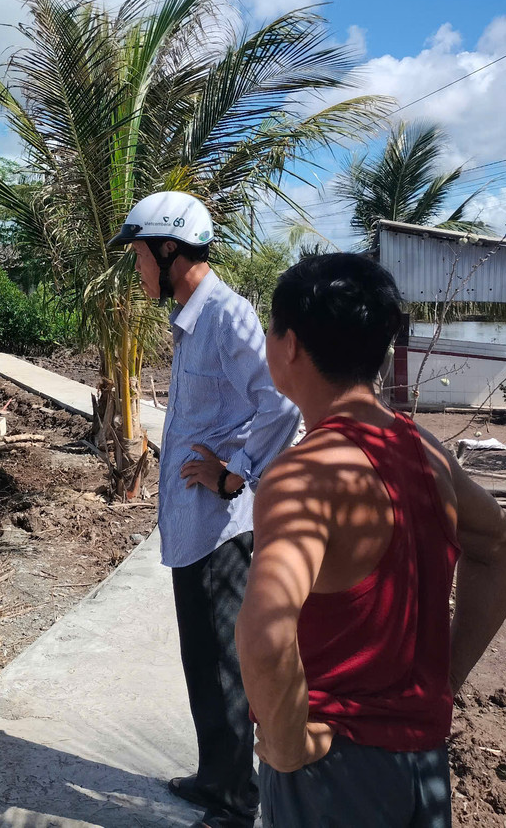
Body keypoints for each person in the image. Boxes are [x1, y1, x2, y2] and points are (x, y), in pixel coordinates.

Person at [236, 253, 506, 828]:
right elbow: (501, 550)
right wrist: (448, 677)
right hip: (423, 765)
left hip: (336, 773)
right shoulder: (427, 451)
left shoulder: (303, 476)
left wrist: (290, 744)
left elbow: (265, 637)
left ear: (289, 345)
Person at [108, 191, 301, 828]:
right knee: (202, 659)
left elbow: (281, 402)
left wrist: (233, 473)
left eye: (140, 258)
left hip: (221, 529)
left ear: (169, 251)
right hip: (194, 528)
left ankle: (235, 799)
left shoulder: (228, 315)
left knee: (223, 664)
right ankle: (217, 775)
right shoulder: (191, 316)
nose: (137, 272)